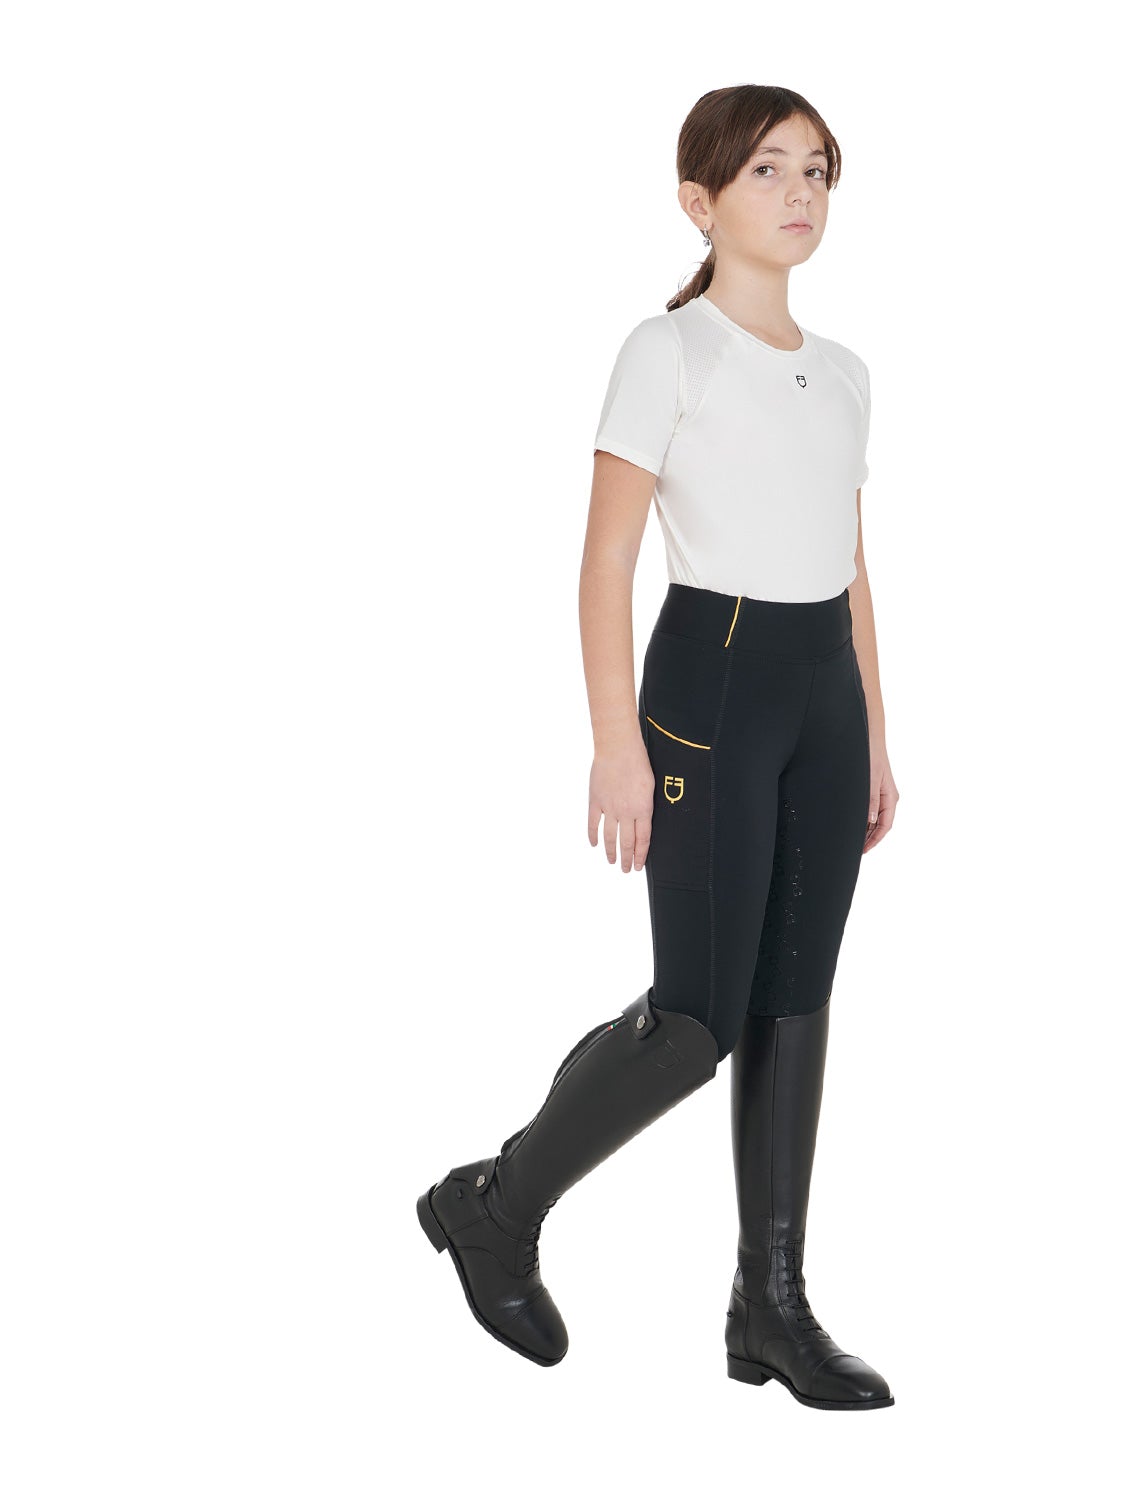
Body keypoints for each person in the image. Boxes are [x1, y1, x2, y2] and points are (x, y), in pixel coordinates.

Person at [415, 85, 899, 1412]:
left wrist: (874, 730)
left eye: (818, 171)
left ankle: (771, 1305)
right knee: (695, 1021)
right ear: (701, 200)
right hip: (712, 685)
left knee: (794, 999)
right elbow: (606, 560)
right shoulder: (667, 351)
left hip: (821, 695)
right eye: (768, 171)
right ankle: (494, 1205)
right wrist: (613, 744)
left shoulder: (844, 373)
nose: (799, 193)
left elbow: (850, 561)